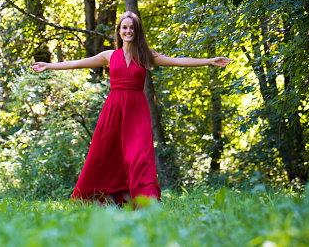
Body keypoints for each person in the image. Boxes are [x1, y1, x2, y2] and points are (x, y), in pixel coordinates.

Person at [30, 11, 232, 205]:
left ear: (137, 31)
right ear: (119, 31)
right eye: (124, 27)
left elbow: (178, 61)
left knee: (140, 156)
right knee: (104, 154)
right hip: (114, 110)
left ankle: (147, 202)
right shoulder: (109, 56)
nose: (128, 31)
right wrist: (49, 66)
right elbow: (78, 64)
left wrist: (209, 61)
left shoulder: (146, 55)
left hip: (136, 112)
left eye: (132, 28)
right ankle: (101, 199)